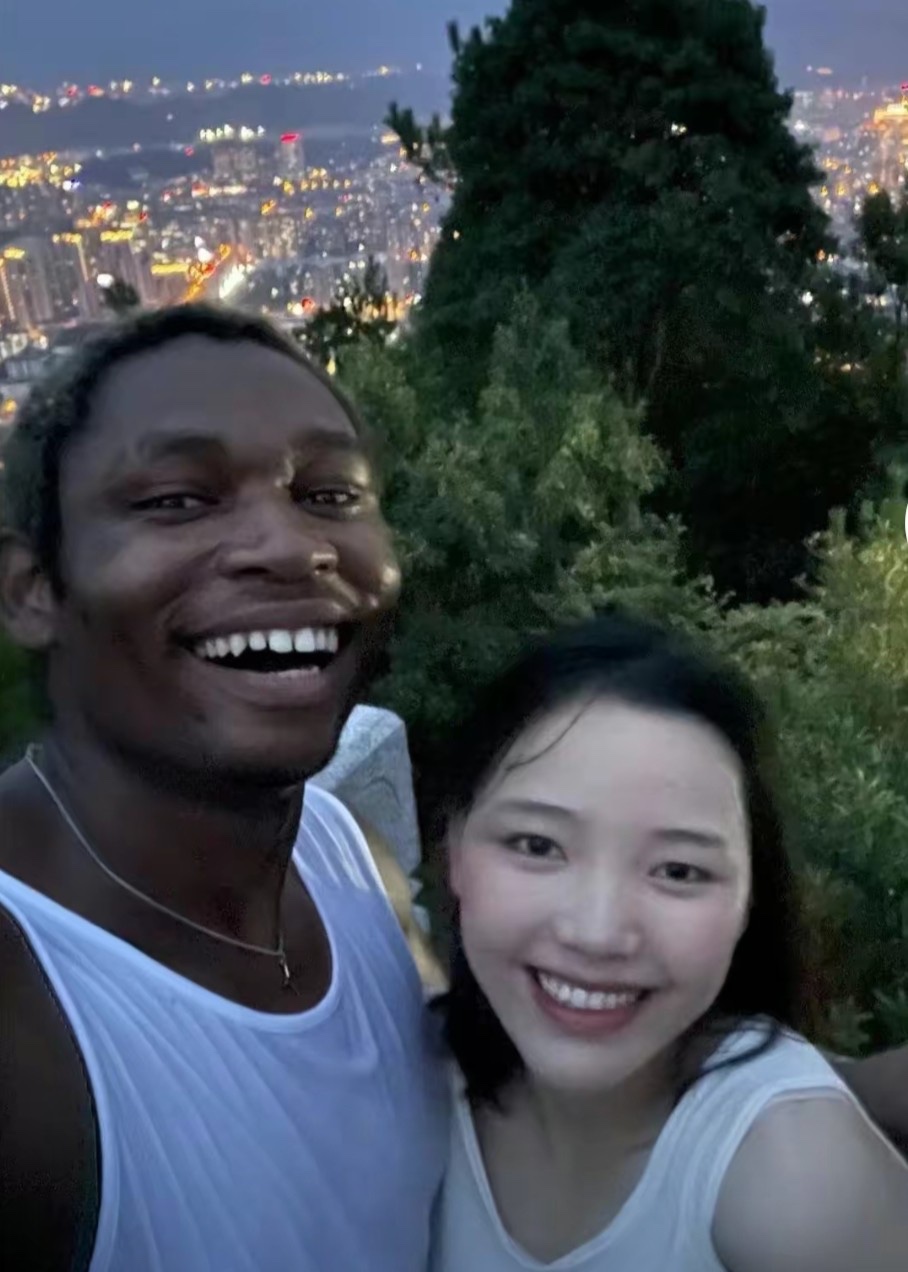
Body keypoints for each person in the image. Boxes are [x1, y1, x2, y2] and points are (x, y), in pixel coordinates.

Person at [0, 305, 447, 1272]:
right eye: (177, 501)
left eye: (330, 494)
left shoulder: (345, 855)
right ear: (32, 590)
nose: (290, 548)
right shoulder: (26, 1021)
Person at [428, 613, 908, 1271]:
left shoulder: (799, 1183)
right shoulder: (393, 1087)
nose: (597, 934)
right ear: (455, 850)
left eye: (678, 871)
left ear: (750, 901)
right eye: (537, 845)